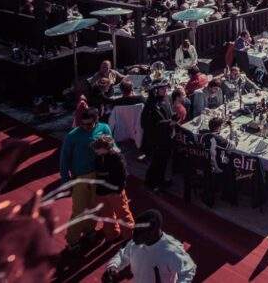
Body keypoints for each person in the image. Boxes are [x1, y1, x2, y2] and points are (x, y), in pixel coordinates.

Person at [60, 106, 112, 248]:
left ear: (96, 120)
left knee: (94, 207)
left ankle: (89, 230)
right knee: (79, 210)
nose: (85, 127)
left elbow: (112, 148)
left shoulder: (105, 128)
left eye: (89, 124)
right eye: (82, 124)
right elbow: (64, 159)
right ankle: (72, 240)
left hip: (99, 175)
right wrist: (65, 181)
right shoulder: (72, 136)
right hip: (80, 178)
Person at [102, 209, 196, 282]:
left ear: (152, 233)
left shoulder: (171, 250)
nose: (135, 237)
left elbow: (189, 270)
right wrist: (113, 266)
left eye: (140, 232)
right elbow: (122, 255)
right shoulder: (136, 243)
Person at [92, 134, 135, 241]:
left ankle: (129, 237)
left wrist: (118, 190)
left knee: (123, 214)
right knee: (107, 215)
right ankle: (112, 234)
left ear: (106, 148)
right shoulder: (98, 157)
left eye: (98, 147)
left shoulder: (116, 158)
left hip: (114, 192)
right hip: (102, 192)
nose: (96, 149)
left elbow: (122, 176)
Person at [141, 82, 175, 192]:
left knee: (163, 161)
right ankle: (151, 183)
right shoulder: (151, 105)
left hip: (166, 136)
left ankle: (160, 180)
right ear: (155, 91)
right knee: (157, 162)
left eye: (166, 88)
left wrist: (172, 117)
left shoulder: (165, 99)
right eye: (162, 89)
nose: (165, 91)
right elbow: (146, 124)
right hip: (157, 139)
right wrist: (168, 122)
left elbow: (167, 113)